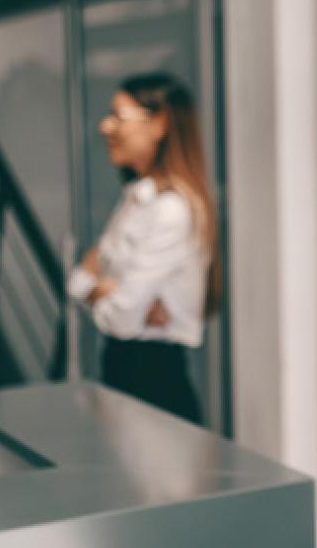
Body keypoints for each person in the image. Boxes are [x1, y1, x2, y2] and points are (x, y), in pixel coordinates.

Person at [67, 72, 220, 425]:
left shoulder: (171, 210)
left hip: (153, 384)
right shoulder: (137, 200)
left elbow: (119, 319)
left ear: (160, 123)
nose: (105, 126)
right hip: (123, 375)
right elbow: (78, 280)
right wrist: (106, 290)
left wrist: (105, 288)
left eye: (119, 116)